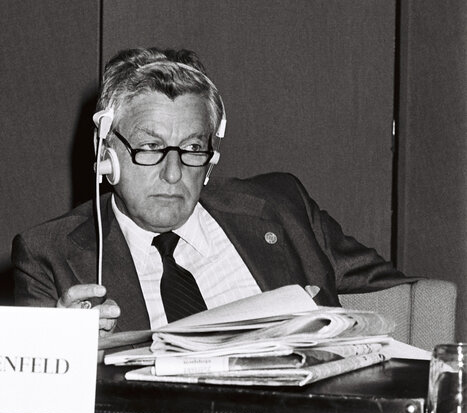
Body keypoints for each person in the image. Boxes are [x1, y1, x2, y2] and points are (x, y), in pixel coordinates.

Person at [12, 47, 412, 337]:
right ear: (106, 153)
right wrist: (63, 349)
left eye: (191, 148)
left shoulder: (281, 206)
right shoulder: (49, 253)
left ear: (212, 155)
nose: (173, 174)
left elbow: (409, 297)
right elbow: (33, 412)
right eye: (150, 147)